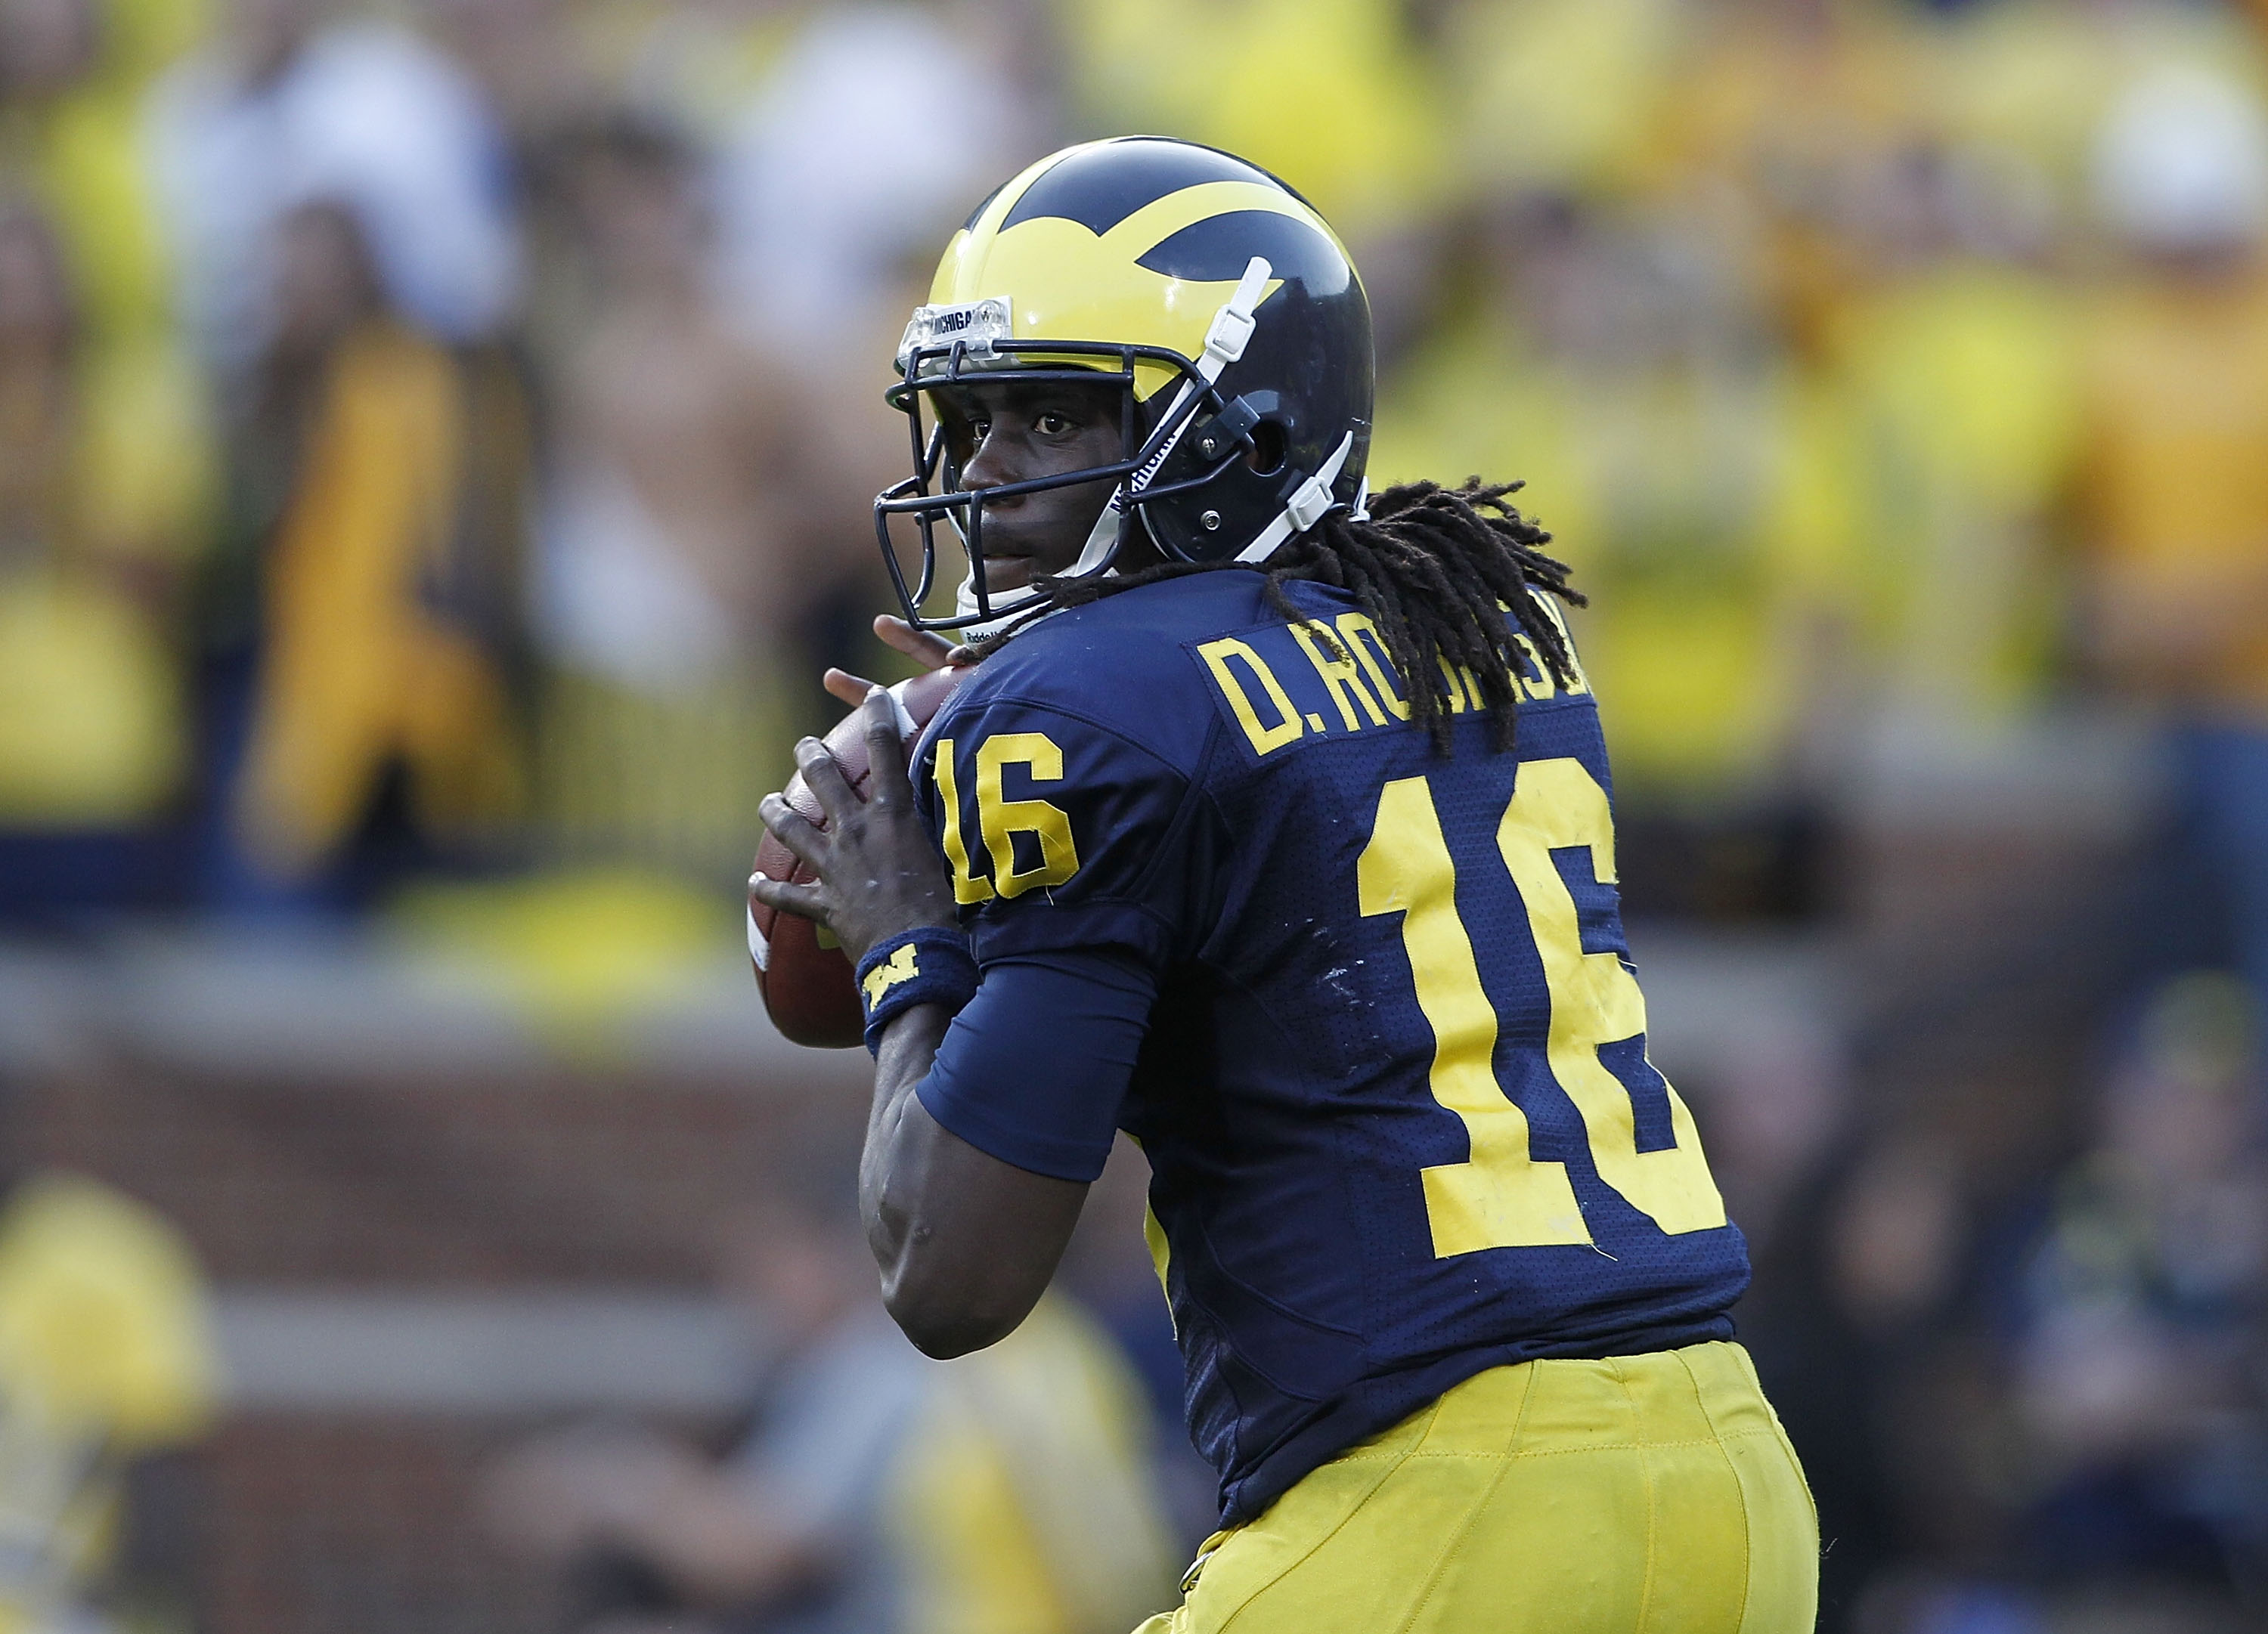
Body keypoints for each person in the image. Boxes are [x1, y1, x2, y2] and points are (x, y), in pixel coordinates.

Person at [750, 136, 1817, 1632]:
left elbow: (952, 1276)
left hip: (1445, 1501)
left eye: (1053, 413)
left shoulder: (1089, 704)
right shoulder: (1467, 621)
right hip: (1728, 1474)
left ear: (1242, 426)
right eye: (971, 417)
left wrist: (903, 947)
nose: (982, 469)